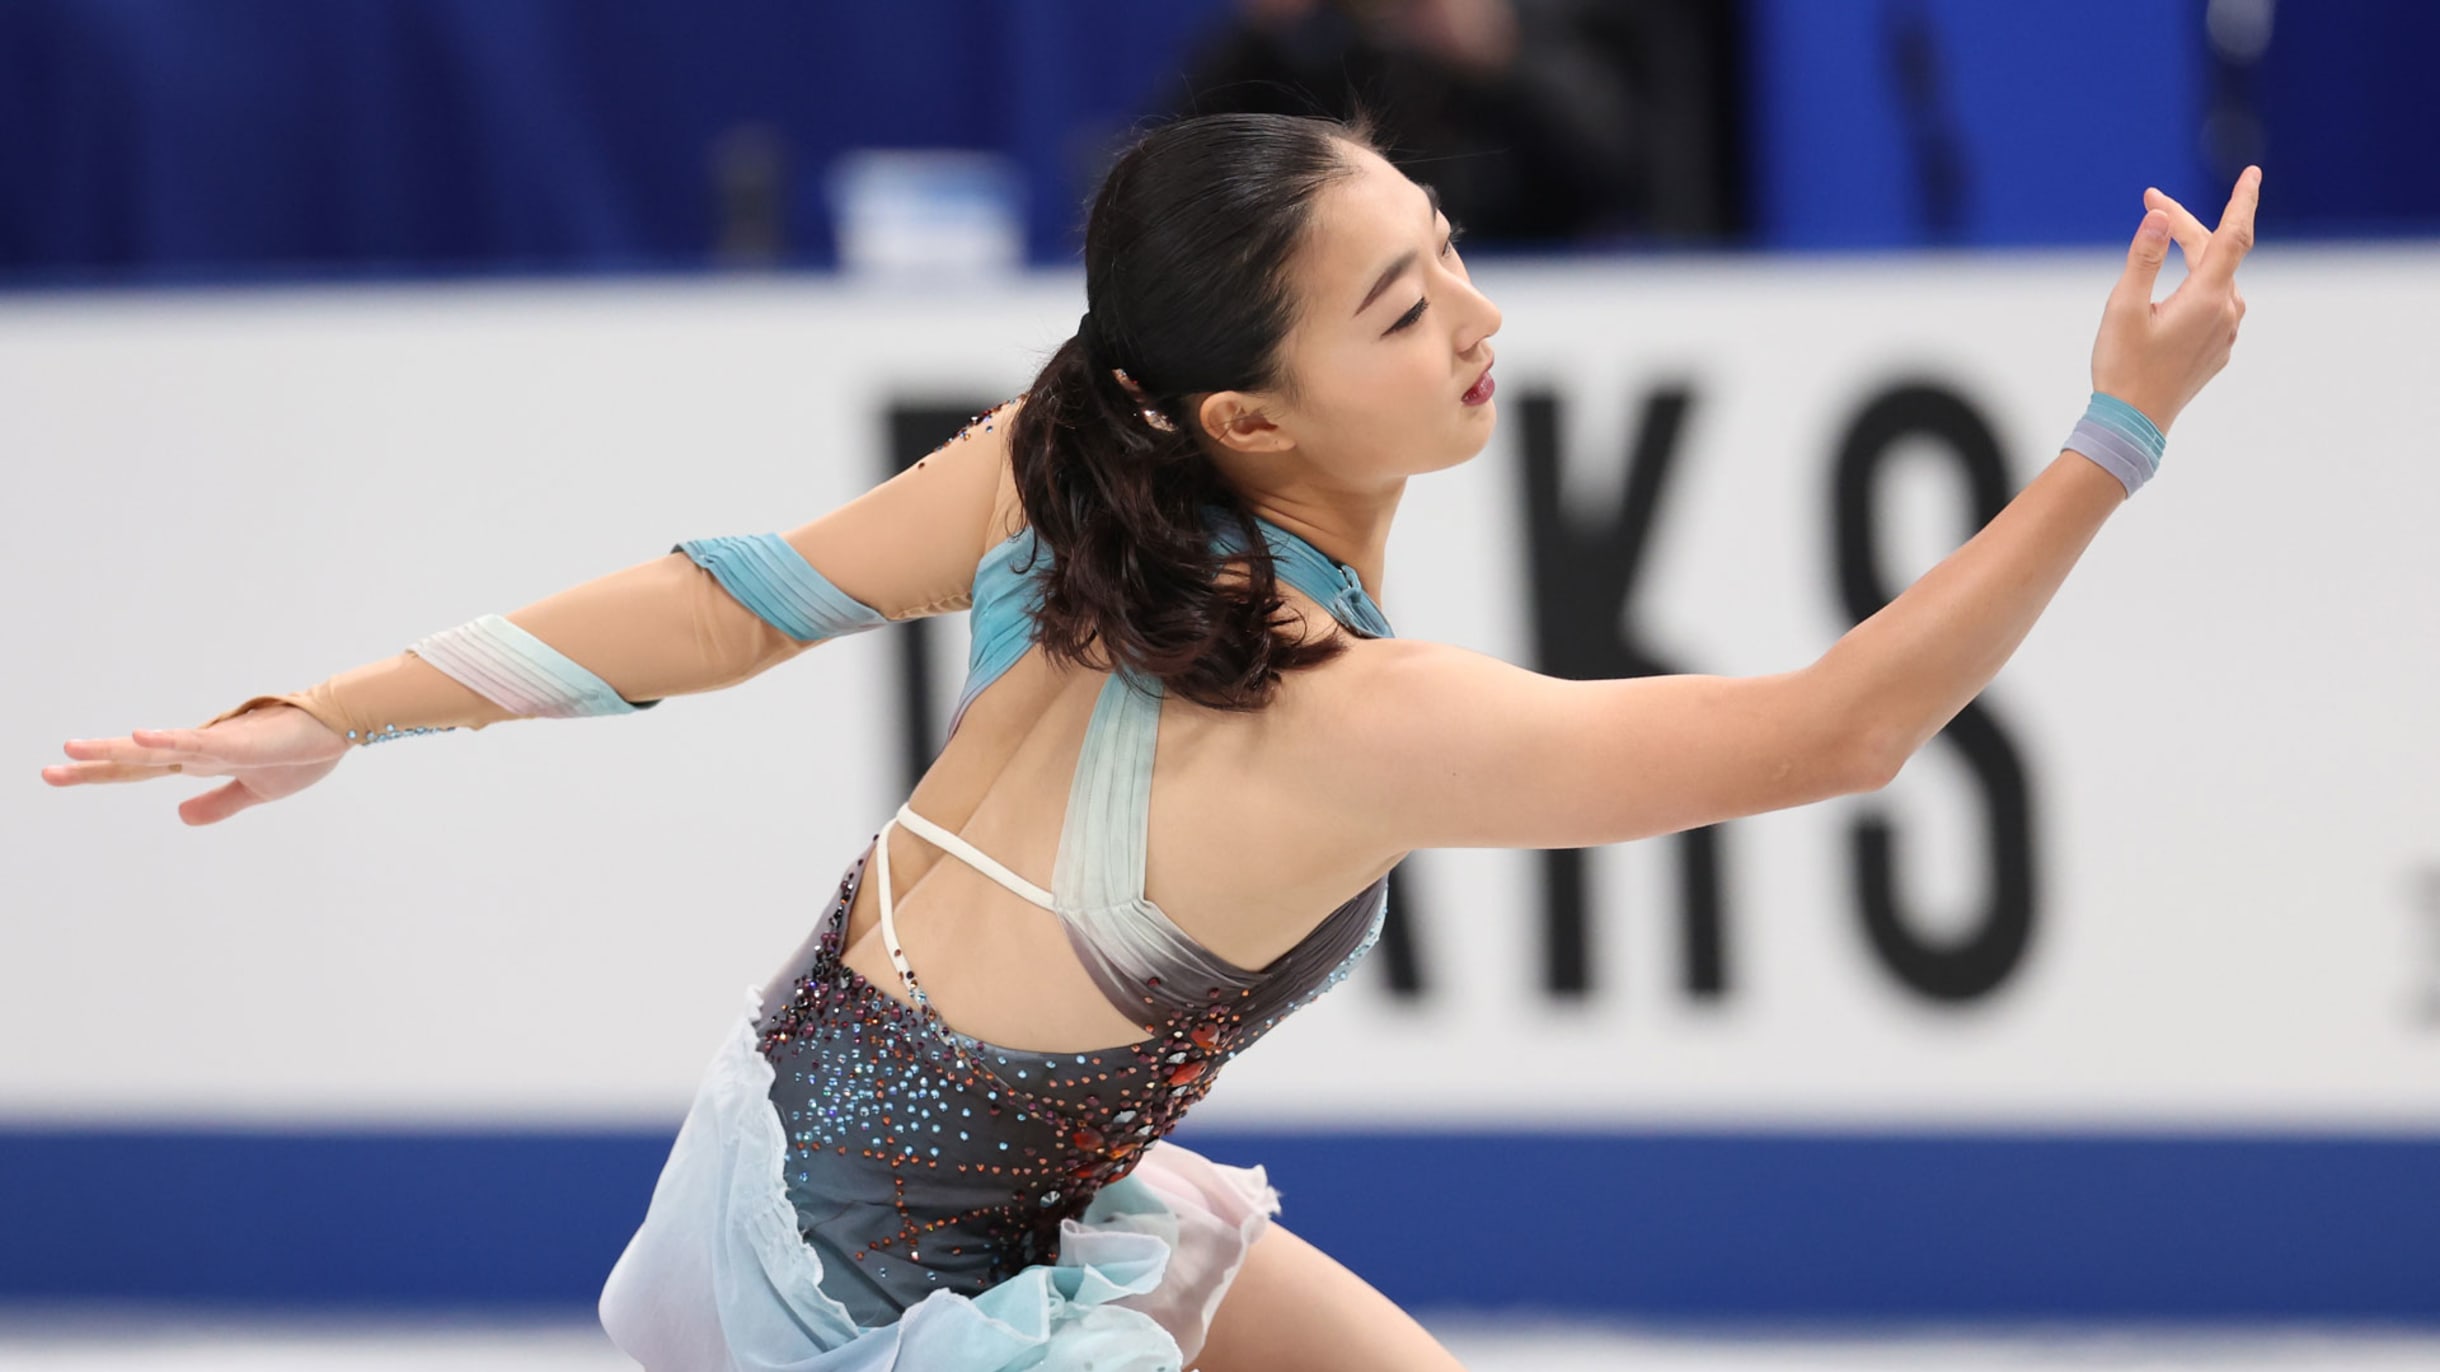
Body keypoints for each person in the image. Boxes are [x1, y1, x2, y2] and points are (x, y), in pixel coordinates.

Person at [40, 111, 2259, 1371]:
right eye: (1403, 305)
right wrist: (2111, 435)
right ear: (1248, 417)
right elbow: (1840, 730)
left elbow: (741, 596)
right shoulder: (1343, 713)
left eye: (1448, 248)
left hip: (842, 1176)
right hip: (848, 1298)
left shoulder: (1071, 450)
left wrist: (341, 703)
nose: (1478, 316)